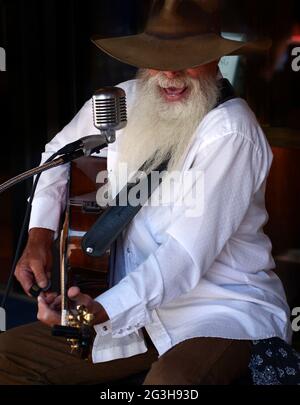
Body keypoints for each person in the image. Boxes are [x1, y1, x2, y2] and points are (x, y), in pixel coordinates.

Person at [0, 0, 292, 385]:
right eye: (158, 58)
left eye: (188, 58)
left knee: (168, 388)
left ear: (215, 60)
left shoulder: (231, 132)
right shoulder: (123, 100)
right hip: (132, 312)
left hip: (218, 313)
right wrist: (39, 235)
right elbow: (57, 156)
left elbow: (184, 256)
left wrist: (98, 311)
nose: (170, 73)